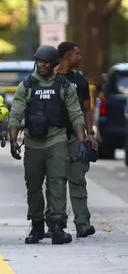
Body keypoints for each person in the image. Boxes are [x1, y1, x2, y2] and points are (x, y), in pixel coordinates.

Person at [7, 45, 86, 245]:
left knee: (57, 183)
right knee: (33, 185)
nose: (41, 65)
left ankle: (57, 225)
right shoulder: (27, 85)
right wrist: (13, 140)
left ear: (54, 64)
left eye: (46, 62)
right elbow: (16, 113)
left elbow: (76, 113)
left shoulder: (64, 85)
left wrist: (82, 141)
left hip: (57, 139)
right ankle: (36, 226)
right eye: (39, 62)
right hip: (33, 142)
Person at [43, 42, 97, 238]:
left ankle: (82, 223)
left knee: (77, 180)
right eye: (77, 54)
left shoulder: (80, 80)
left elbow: (86, 109)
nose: (80, 57)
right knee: (54, 182)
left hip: (76, 137)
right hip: (52, 137)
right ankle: (54, 223)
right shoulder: (48, 78)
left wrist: (90, 134)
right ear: (67, 56)